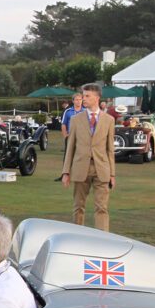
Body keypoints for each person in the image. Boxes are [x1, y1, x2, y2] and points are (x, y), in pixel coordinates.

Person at [61, 83, 116, 231]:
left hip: (101, 169)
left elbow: (110, 149)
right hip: (80, 168)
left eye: (87, 96)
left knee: (102, 208)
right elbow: (70, 148)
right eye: (83, 95)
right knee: (78, 207)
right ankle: (78, 239)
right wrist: (66, 171)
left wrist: (112, 174)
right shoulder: (76, 119)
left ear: (97, 98)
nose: (83, 99)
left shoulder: (109, 120)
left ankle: (103, 240)